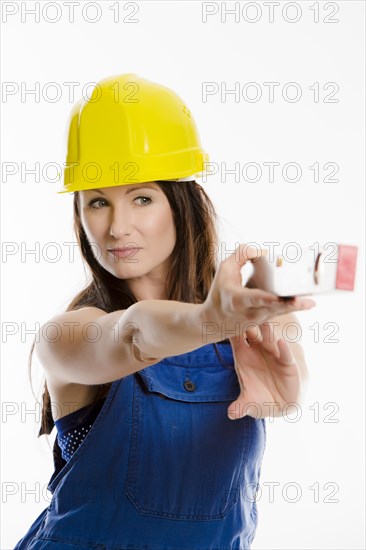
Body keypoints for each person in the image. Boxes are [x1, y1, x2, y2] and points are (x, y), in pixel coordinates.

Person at [14, 73, 315, 550]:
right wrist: (208, 320)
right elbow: (134, 334)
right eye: (97, 202)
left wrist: (287, 392)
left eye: (141, 197)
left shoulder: (252, 314)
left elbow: (288, 360)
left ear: (182, 203)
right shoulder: (69, 335)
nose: (117, 226)